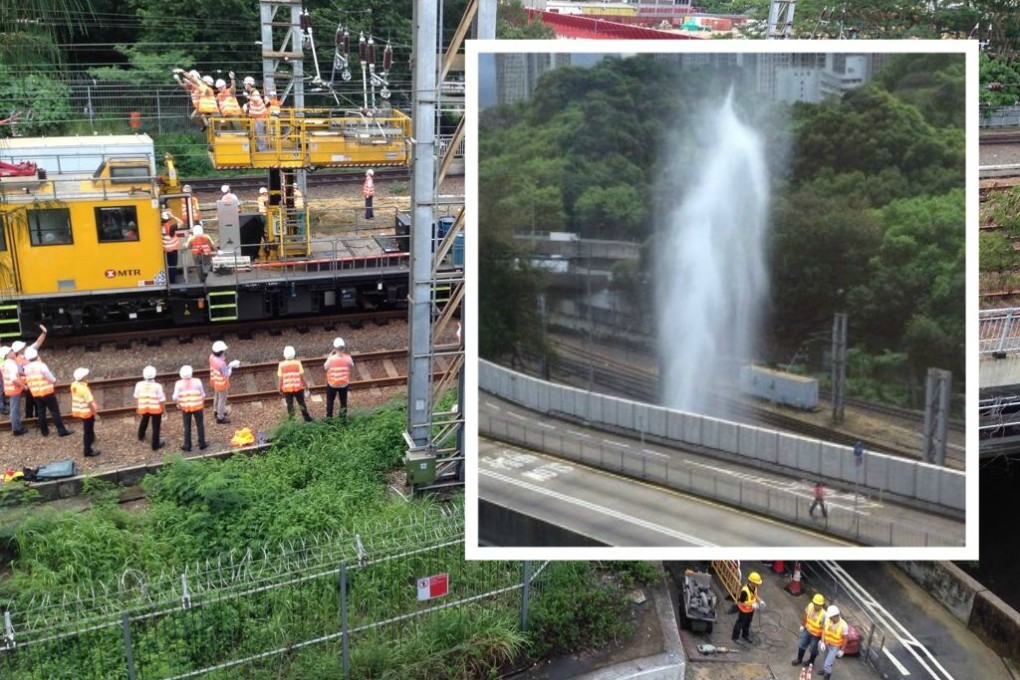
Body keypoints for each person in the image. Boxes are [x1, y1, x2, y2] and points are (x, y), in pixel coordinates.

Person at [23, 346, 72, 437]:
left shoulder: (26, 368)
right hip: (47, 391)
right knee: (54, 411)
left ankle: (44, 432)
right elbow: (48, 375)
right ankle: (61, 431)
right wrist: (54, 381)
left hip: (36, 393)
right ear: (36, 355)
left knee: (41, 412)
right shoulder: (41, 365)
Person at [12, 325, 47, 420]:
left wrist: (44, 333)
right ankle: (30, 414)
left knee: (34, 397)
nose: (25, 346)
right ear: (19, 350)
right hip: (28, 381)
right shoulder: (17, 359)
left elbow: (38, 342)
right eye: (23, 346)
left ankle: (33, 414)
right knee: (31, 398)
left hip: (33, 380)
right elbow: (18, 372)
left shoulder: (29, 350)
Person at [173, 365, 208, 452]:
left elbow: (174, 397)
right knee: (200, 424)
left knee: (187, 426)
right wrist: (201, 403)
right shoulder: (198, 381)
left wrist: (178, 404)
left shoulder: (178, 383)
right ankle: (202, 443)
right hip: (198, 406)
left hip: (186, 407)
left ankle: (187, 445)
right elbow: (203, 394)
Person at [70, 368, 101, 457]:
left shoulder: (74, 385)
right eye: (85, 376)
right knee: (88, 430)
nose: (87, 376)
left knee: (87, 428)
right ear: (83, 378)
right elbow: (89, 403)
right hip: (87, 412)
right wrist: (95, 413)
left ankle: (91, 438)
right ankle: (87, 450)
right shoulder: (84, 389)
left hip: (79, 410)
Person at [134, 366, 166, 450]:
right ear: (154, 374)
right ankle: (155, 444)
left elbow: (136, 397)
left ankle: (140, 435)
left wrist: (138, 407)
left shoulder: (139, 384)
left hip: (143, 407)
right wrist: (164, 410)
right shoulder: (158, 386)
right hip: (155, 409)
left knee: (144, 420)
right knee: (156, 426)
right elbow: (161, 400)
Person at [278, 346, 312, 422]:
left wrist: (279, 388)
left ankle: (292, 419)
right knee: (301, 402)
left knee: (290, 404)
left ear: (284, 354)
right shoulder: (298, 363)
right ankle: (306, 417)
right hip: (298, 387)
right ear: (294, 354)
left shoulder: (281, 365)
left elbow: (281, 378)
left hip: (287, 388)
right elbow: (302, 377)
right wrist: (306, 386)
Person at [209, 341, 241, 424]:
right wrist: (231, 366)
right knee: (222, 400)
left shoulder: (211, 357)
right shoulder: (221, 363)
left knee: (216, 396)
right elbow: (227, 374)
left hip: (215, 381)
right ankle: (220, 417)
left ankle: (216, 411)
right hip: (222, 384)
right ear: (221, 352)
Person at [792, 593, 827, 667]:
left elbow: (824, 628)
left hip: (816, 635)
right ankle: (799, 659)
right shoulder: (810, 606)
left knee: (813, 648)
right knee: (802, 644)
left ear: (821, 605)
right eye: (815, 604)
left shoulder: (824, 614)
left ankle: (811, 662)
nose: (816, 606)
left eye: (818, 605)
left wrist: (822, 640)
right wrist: (802, 625)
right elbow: (805, 615)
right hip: (808, 630)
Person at [324, 337, 355, 420]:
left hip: (332, 384)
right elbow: (352, 365)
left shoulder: (331, 358)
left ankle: (329, 419)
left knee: (330, 402)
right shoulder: (348, 358)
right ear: (344, 348)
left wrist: (330, 356)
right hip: (344, 384)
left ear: (334, 348)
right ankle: (342, 419)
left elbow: (325, 367)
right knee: (343, 402)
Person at [731, 571, 763, 644]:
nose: (758, 585)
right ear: (751, 582)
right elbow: (741, 603)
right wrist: (751, 604)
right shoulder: (745, 591)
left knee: (748, 622)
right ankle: (735, 637)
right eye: (756, 583)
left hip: (751, 610)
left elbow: (755, 595)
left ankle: (745, 635)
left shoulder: (754, 588)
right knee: (740, 623)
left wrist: (760, 601)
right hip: (744, 610)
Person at [818, 605, 849, 679]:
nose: (830, 618)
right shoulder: (828, 620)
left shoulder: (843, 625)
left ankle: (827, 676)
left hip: (834, 647)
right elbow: (824, 631)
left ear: (836, 616)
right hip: (827, 644)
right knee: (826, 659)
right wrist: (822, 641)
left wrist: (842, 650)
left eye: (831, 617)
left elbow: (845, 639)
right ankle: (825, 670)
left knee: (828, 664)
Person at [1, 346, 27, 436]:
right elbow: (14, 379)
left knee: (14, 408)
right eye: (11, 351)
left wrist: (23, 373)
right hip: (14, 389)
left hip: (10, 389)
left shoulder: (5, 363)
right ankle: (16, 429)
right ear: (7, 355)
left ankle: (17, 427)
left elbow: (14, 373)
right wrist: (23, 386)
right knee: (15, 409)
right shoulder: (11, 364)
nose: (13, 352)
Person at [161, 209, 183, 284]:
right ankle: (172, 281)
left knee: (166, 265)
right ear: (168, 218)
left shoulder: (159, 226)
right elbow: (181, 222)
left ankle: (167, 279)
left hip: (164, 249)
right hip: (172, 249)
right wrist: (173, 216)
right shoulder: (171, 227)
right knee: (173, 265)